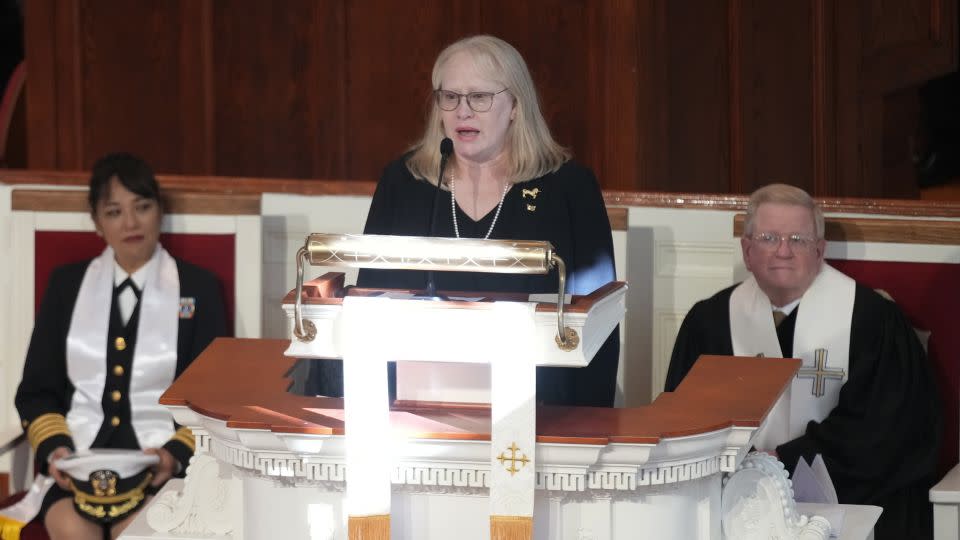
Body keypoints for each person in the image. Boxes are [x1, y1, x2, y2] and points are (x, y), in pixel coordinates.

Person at [310, 34, 619, 407]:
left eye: (480, 97)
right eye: (450, 97)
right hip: (413, 408)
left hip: (540, 409)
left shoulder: (568, 187)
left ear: (515, 106)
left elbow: (598, 321)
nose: (463, 111)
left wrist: (587, 423)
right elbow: (371, 301)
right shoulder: (405, 182)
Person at [664, 183, 941, 539]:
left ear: (819, 250)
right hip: (736, 504)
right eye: (768, 238)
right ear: (747, 250)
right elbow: (685, 422)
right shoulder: (710, 322)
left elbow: (888, 429)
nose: (783, 251)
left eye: (798, 239)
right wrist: (745, 472)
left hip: (850, 498)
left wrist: (785, 461)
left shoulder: (873, 320)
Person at [12, 152, 228, 540]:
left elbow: (213, 398)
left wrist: (173, 456)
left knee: (138, 532)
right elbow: (36, 392)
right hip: (76, 466)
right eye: (114, 212)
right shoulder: (67, 286)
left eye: (142, 207)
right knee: (73, 531)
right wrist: (56, 450)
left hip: (158, 466)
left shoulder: (199, 289)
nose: (130, 223)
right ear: (96, 222)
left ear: (159, 211)